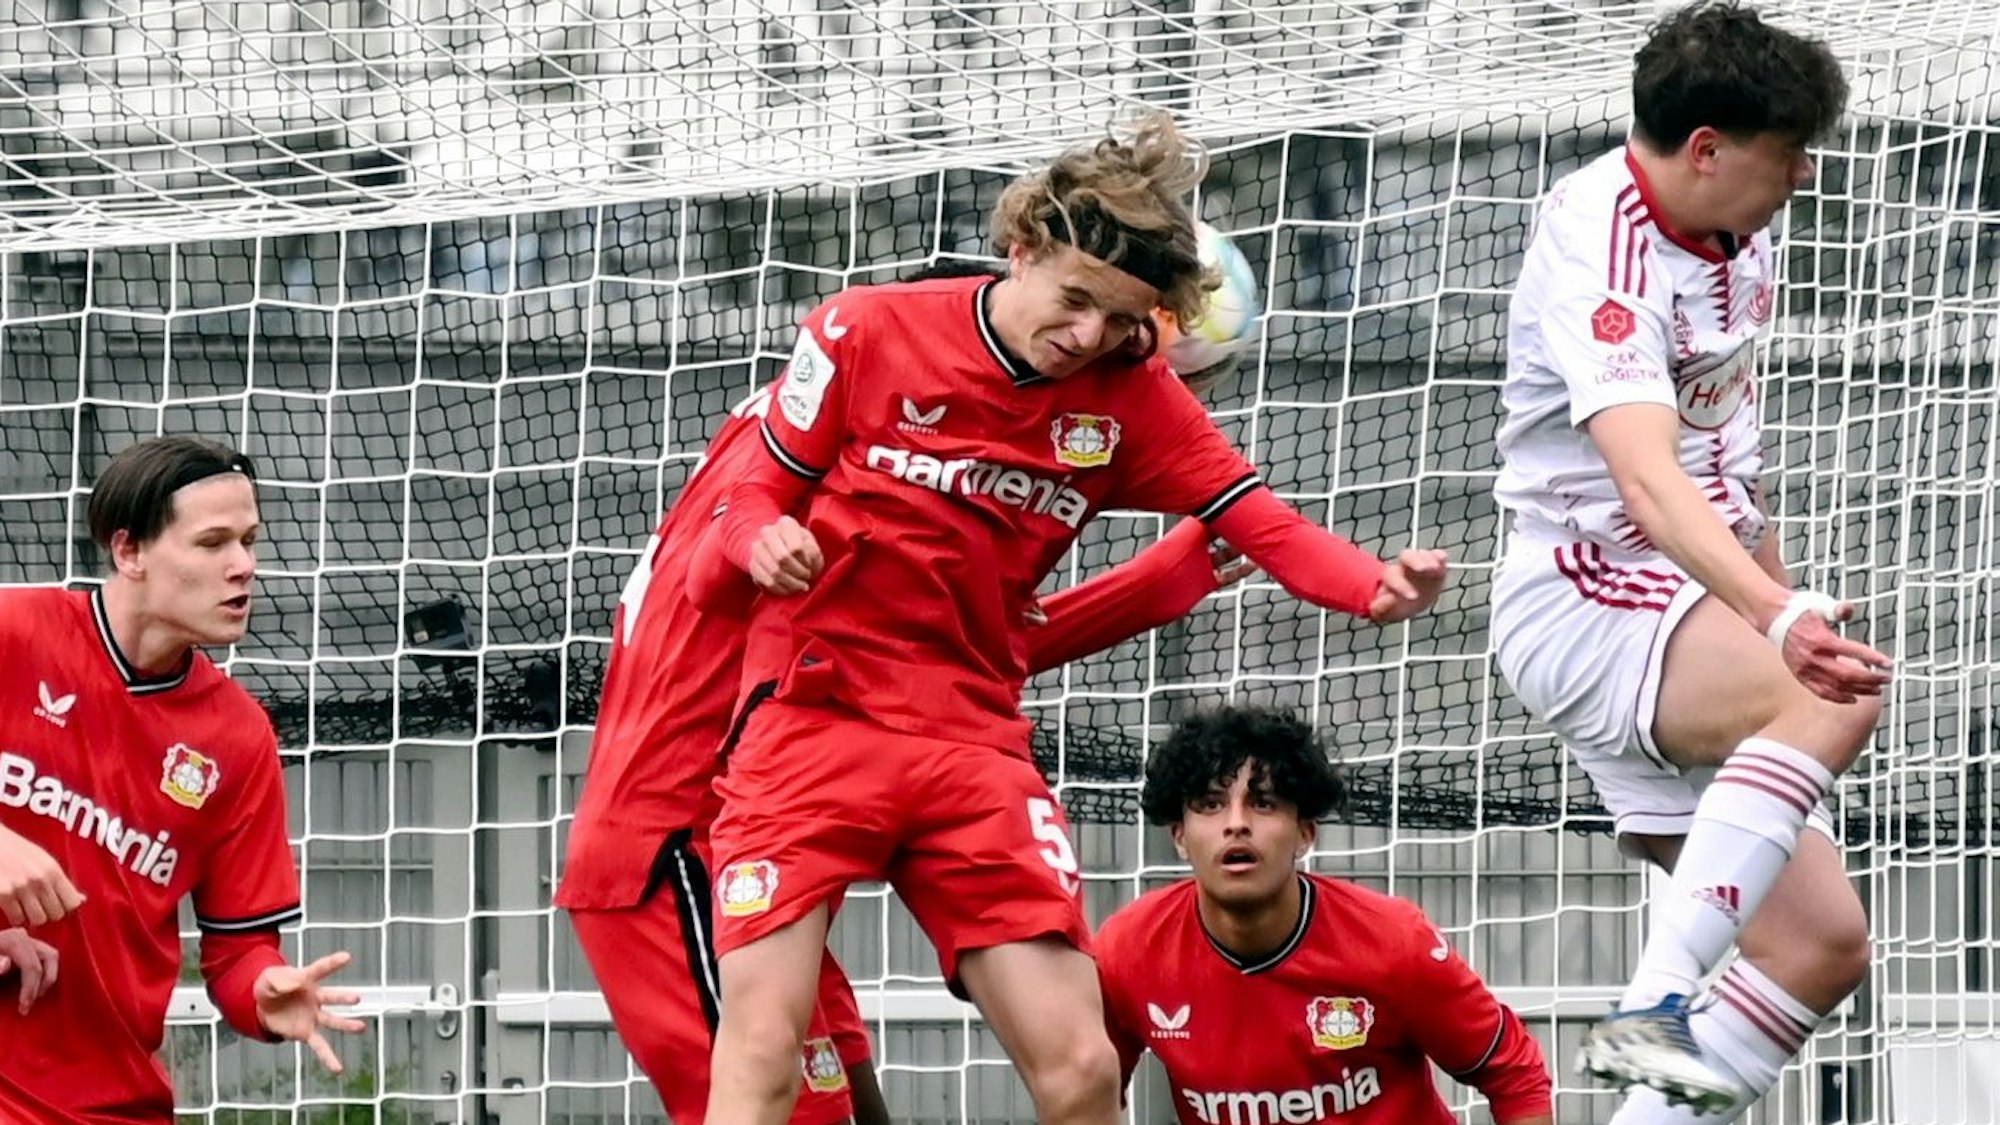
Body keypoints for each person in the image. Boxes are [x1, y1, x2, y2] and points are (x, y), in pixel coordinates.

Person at [687, 110, 1450, 1125]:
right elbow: (749, 497)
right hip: (812, 721)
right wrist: (759, 541)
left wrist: (1371, 586)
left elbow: (1260, 521)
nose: (1088, 335)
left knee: (1083, 1065)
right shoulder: (861, 328)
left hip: (967, 739)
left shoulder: (1130, 395)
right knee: (764, 1052)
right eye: (1077, 300)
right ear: (1021, 247)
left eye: (1120, 318)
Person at [557, 257, 1257, 1125]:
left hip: (766, 816)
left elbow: (936, 658)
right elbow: (914, 650)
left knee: (861, 1106)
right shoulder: (832, 453)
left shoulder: (827, 428)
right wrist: (1147, 587)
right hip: (678, 837)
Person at [1490, 2, 1876, 1115]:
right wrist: (1777, 625)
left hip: (1670, 607)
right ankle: (1651, 1003)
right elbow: (1650, 484)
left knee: (1817, 945)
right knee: (1834, 692)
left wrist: (1777, 596)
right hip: (1584, 597)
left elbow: (1721, 463)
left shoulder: (1735, 232)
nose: (1802, 172)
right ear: (1704, 148)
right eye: (1786, 150)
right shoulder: (1600, 247)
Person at [0, 436, 362, 1124]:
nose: (243, 566)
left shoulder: (239, 735)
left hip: (109, 1102)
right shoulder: (14, 630)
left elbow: (238, 950)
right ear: (128, 550)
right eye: (212, 543)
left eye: (249, 541)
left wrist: (264, 990)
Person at [1095, 705, 1554, 1125]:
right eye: (1211, 804)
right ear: (1179, 836)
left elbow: (1514, 1073)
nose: (1236, 823)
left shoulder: (1393, 941)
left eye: (1263, 802)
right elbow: (1083, 1090)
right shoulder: (1130, 949)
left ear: (1305, 834)